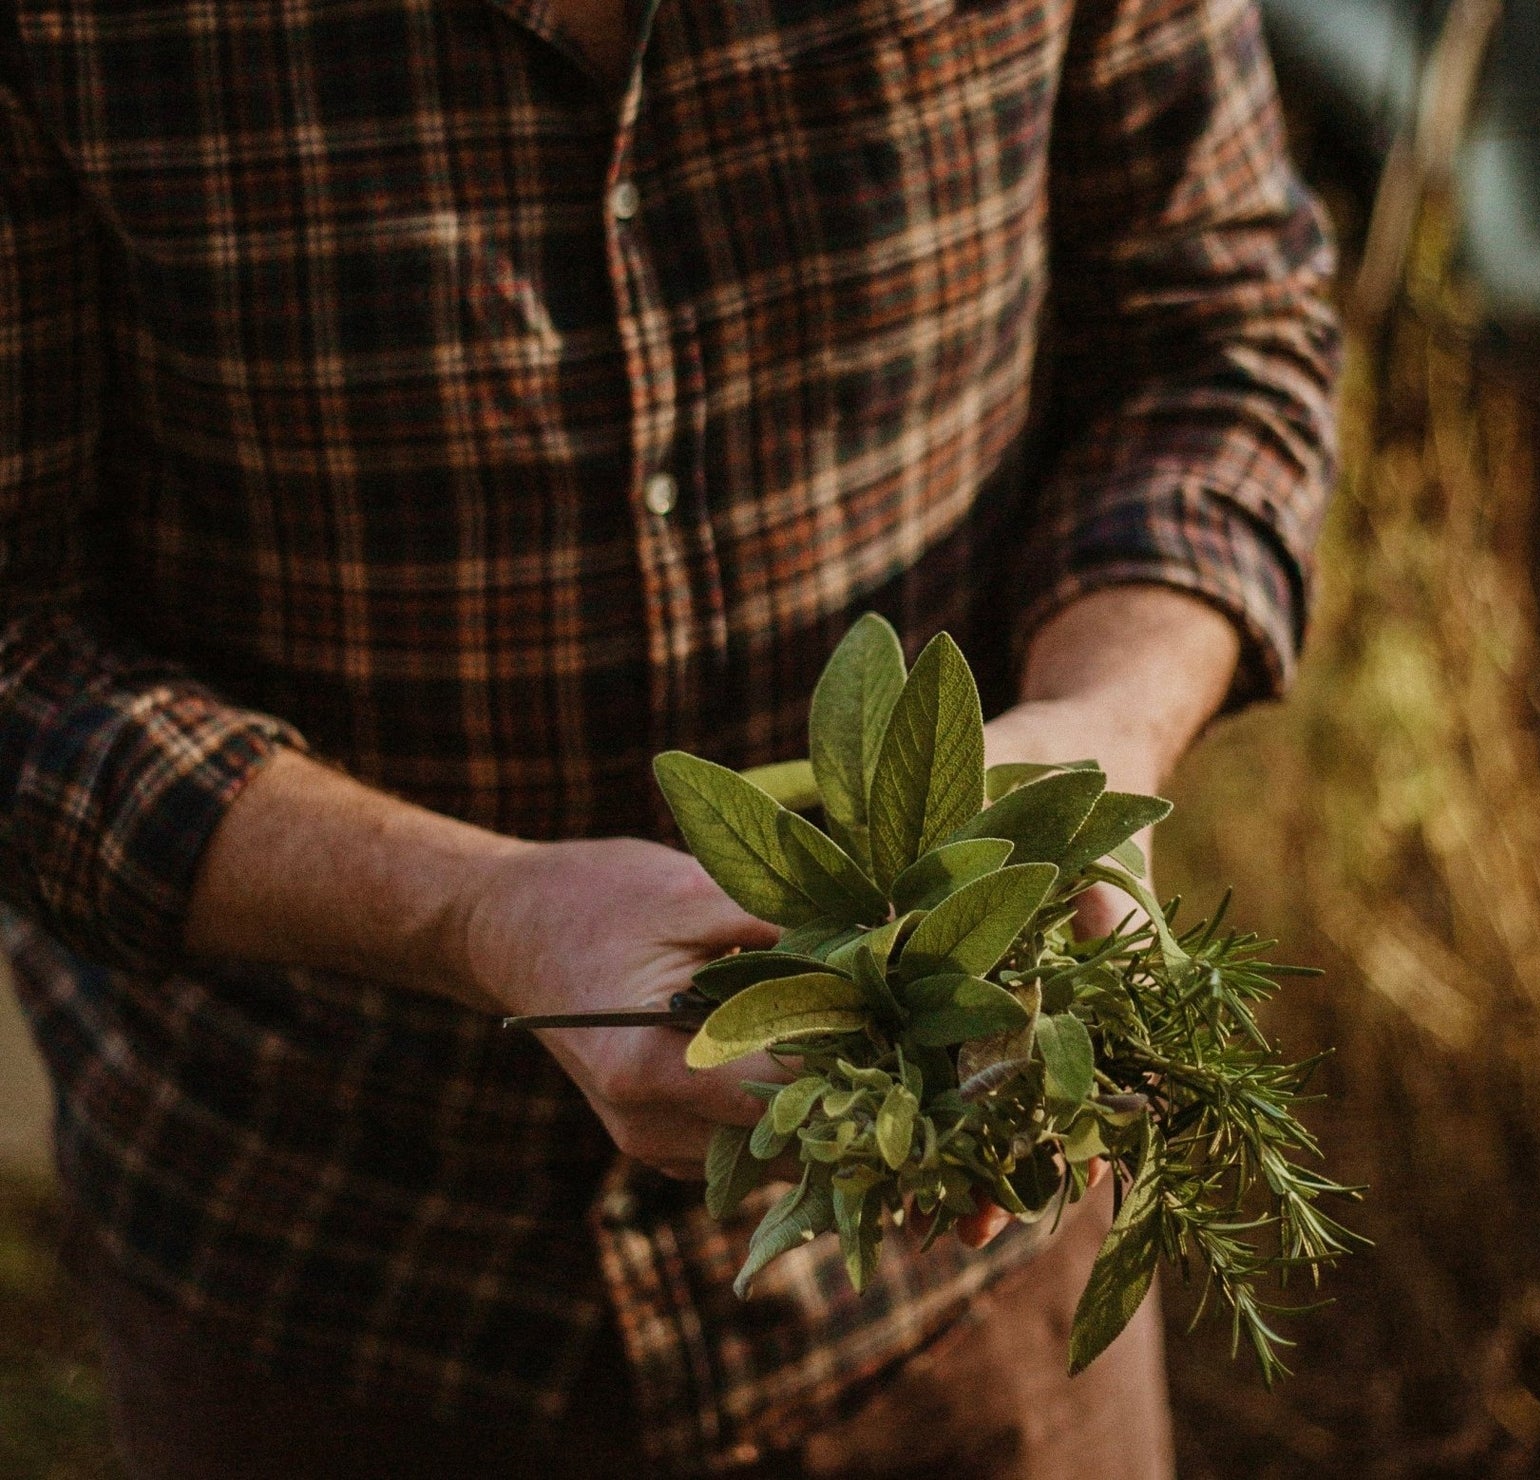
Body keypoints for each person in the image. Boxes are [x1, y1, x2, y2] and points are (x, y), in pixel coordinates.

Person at [0, 0, 1337, 1471]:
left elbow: (1215, 330)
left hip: (961, 1240)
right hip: (341, 1271)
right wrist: (480, 914)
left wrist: (1098, 731)